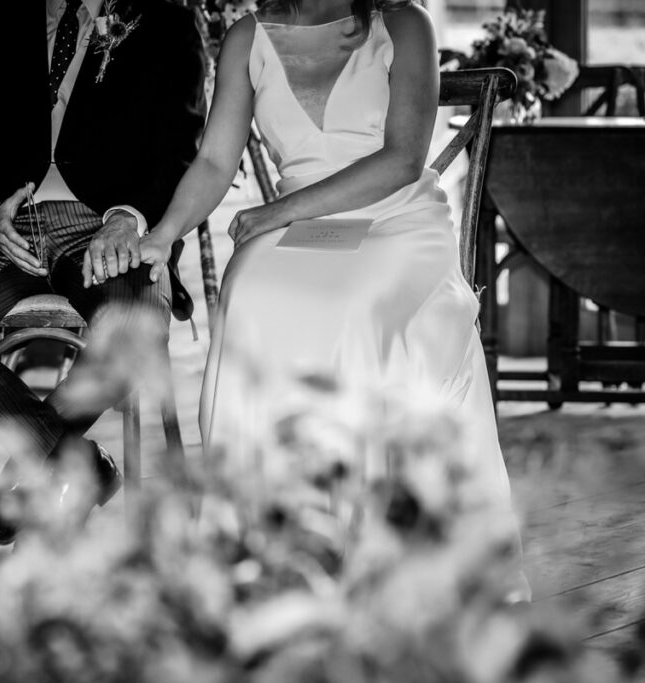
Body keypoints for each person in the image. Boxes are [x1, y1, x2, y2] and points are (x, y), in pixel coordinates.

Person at [138, 0, 518, 524]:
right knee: (251, 290)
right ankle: (263, 528)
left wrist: (278, 211)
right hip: (298, 228)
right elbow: (213, 159)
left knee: (353, 301)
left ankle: (363, 528)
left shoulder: (406, 24)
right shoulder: (246, 38)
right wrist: (162, 234)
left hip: (395, 219)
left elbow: (404, 159)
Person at [0, 0, 206, 545]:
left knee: (134, 326)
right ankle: (76, 460)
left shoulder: (164, 20)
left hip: (106, 223)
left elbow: (180, 152)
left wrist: (126, 219)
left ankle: (26, 467)